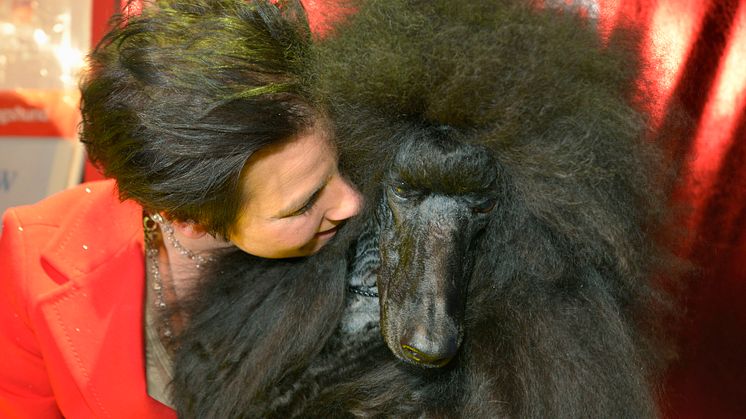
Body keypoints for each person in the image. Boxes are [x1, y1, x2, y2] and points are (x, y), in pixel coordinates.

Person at [0, 0, 362, 417]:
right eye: (304, 204)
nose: (352, 202)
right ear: (188, 219)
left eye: (337, 162)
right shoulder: (36, 258)